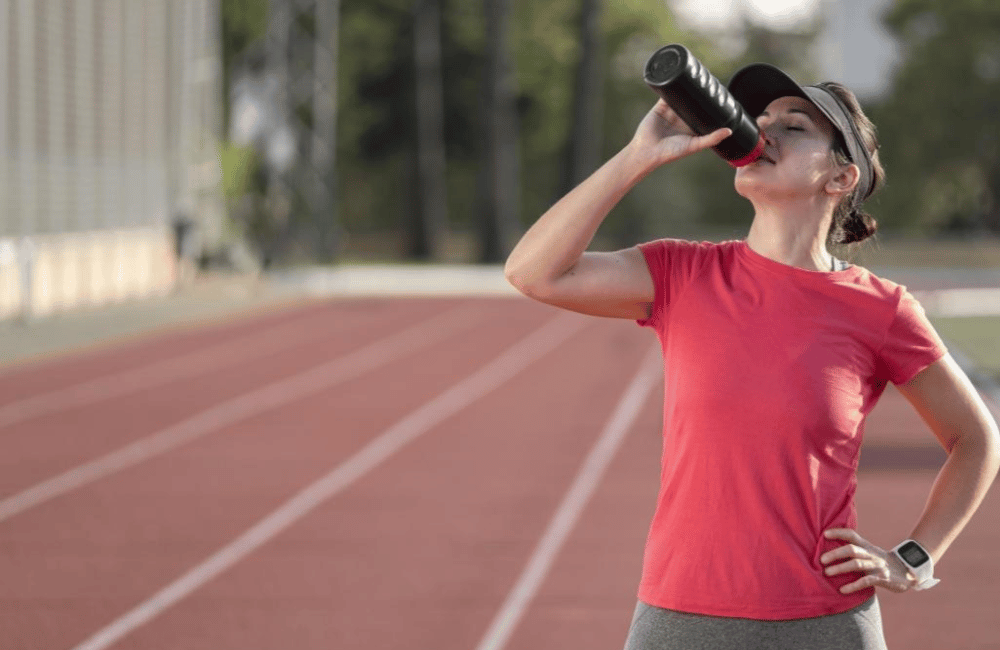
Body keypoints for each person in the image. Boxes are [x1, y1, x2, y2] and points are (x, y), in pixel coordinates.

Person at [504, 61, 1000, 650]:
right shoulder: (684, 273)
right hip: (679, 611)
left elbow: (976, 439)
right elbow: (533, 272)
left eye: (795, 126)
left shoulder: (882, 309)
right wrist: (638, 156)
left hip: (825, 620)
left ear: (840, 177)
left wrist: (914, 557)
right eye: (760, 119)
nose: (764, 130)